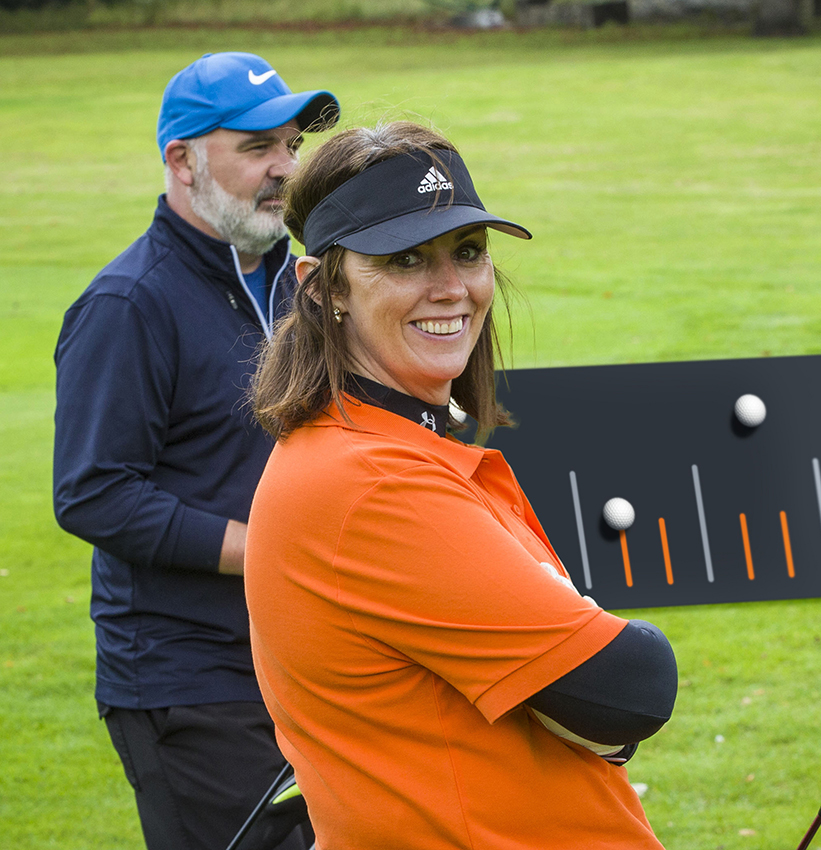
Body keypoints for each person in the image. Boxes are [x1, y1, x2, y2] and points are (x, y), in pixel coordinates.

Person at [244, 121, 680, 850]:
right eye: (406, 258)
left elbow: (593, 703)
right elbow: (632, 685)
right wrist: (586, 653)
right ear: (323, 289)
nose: (452, 288)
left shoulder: (390, 447)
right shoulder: (369, 484)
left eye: (468, 252)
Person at [52, 52, 339, 850]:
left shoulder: (303, 286)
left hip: (305, 654)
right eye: (256, 148)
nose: (284, 169)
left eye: (290, 146)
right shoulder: (128, 304)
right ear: (181, 160)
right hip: (187, 679)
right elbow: (94, 492)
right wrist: (269, 550)